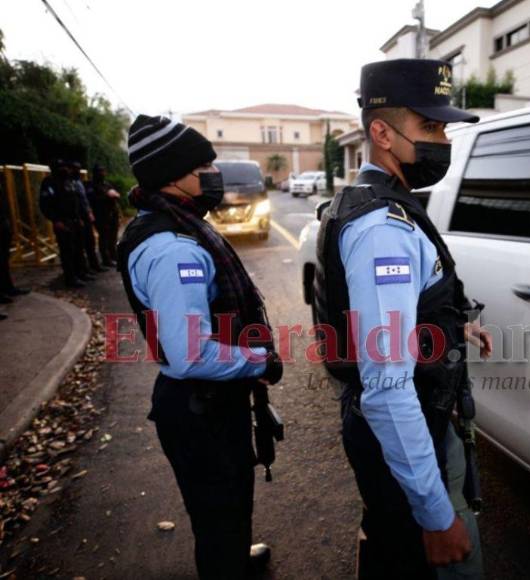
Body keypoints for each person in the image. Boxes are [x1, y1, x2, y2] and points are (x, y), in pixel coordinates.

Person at [314, 59, 493, 579]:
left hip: (399, 427)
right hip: (405, 430)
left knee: (392, 551)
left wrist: (451, 326)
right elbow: (389, 387)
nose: (442, 139)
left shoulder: (380, 204)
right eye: (430, 127)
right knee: (422, 558)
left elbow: (395, 313)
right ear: (381, 133)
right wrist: (437, 518)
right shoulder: (382, 229)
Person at [116, 115, 283, 580]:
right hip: (198, 407)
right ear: (173, 175)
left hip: (204, 402)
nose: (214, 173)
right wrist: (260, 360)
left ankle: (232, 552)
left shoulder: (165, 224)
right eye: (205, 165)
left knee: (227, 504)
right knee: (217, 511)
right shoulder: (175, 250)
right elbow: (192, 353)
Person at [39, 160, 92, 288]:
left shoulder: (69, 181)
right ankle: (70, 278)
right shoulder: (49, 183)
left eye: (65, 167)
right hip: (62, 222)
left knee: (78, 248)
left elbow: (75, 201)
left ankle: (80, 273)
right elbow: (45, 205)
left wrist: (79, 218)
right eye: (60, 167)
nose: (64, 169)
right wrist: (56, 220)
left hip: (75, 220)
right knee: (67, 251)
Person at [69, 161, 107, 273]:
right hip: (77, 218)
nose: (77, 171)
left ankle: (92, 266)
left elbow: (84, 201)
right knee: (79, 245)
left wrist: (89, 212)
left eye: (79, 168)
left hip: (86, 216)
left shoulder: (79, 182)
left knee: (90, 242)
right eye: (74, 168)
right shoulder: (73, 183)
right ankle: (81, 270)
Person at [86, 164, 120, 267]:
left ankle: (113, 256)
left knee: (113, 237)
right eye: (100, 172)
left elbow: (116, 195)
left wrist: (114, 196)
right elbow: (92, 200)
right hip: (101, 215)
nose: (102, 174)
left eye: (103, 171)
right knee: (104, 238)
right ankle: (106, 259)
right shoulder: (91, 185)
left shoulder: (107, 184)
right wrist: (107, 196)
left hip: (112, 214)